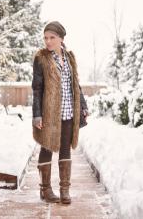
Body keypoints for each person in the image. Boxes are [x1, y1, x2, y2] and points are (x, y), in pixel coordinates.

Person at [32, 21, 88, 204]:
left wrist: (83, 106)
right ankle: (45, 190)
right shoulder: (41, 58)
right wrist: (37, 114)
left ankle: (65, 190)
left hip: (68, 112)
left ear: (61, 39)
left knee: (65, 149)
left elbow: (75, 84)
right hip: (49, 113)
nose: (48, 41)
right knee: (47, 148)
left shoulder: (70, 58)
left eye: (52, 37)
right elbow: (37, 89)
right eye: (46, 37)